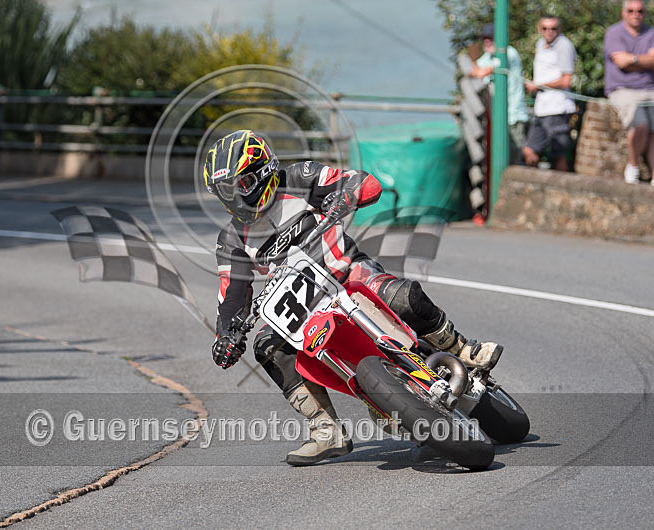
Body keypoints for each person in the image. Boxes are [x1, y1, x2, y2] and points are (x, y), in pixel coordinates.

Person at [203, 130, 503, 466]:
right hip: (302, 307)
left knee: (403, 296)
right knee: (267, 345)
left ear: (265, 171)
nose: (235, 198)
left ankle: (461, 347)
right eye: (225, 191)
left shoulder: (300, 177)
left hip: (348, 275)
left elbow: (364, 182)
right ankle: (325, 430)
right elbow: (231, 296)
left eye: (241, 185)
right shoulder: (231, 239)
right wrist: (225, 335)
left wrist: (346, 194)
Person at [604, 0, 654, 185]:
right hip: (623, 90)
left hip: (650, 90)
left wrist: (632, 59)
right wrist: (645, 60)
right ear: (623, 13)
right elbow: (620, 62)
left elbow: (629, 61)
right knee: (640, 124)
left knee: (653, 131)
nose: (636, 14)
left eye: (640, 11)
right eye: (631, 11)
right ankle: (632, 167)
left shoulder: (651, 33)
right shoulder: (614, 33)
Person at [523, 15, 577, 172]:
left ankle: (562, 186)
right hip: (541, 108)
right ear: (539, 29)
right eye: (545, 28)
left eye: (553, 28)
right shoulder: (540, 44)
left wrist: (538, 86)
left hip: (557, 108)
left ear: (559, 29)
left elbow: (566, 80)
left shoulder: (564, 45)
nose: (549, 32)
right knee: (529, 151)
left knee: (558, 154)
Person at [470, 23, 529, 165]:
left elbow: (483, 72)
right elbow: (474, 70)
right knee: (502, 157)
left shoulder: (509, 53)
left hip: (513, 115)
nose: (487, 41)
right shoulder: (489, 56)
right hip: (499, 117)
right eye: (484, 38)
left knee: (515, 156)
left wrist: (479, 68)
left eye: (490, 38)